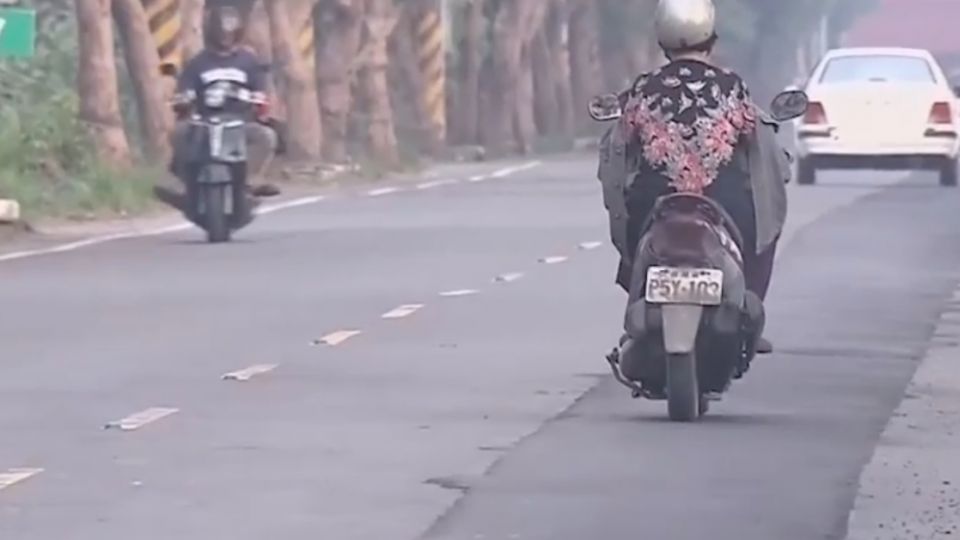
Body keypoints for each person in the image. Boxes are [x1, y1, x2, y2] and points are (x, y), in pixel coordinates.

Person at [616, 0, 785, 354]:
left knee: (633, 229)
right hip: (721, 201)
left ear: (662, 40)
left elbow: (624, 141)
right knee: (764, 233)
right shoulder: (731, 87)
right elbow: (752, 136)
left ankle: (638, 308)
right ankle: (749, 306)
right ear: (711, 38)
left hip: (655, 202)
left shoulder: (644, 87)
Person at [154, 4, 280, 227]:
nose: (225, 39)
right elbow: (184, 90)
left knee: (266, 136)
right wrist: (182, 99)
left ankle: (250, 180)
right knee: (179, 133)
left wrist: (260, 101)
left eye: (229, 34)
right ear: (210, 32)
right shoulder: (197, 63)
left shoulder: (249, 62)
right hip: (204, 123)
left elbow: (260, 91)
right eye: (220, 33)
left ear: (238, 33)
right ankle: (184, 181)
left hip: (239, 123)